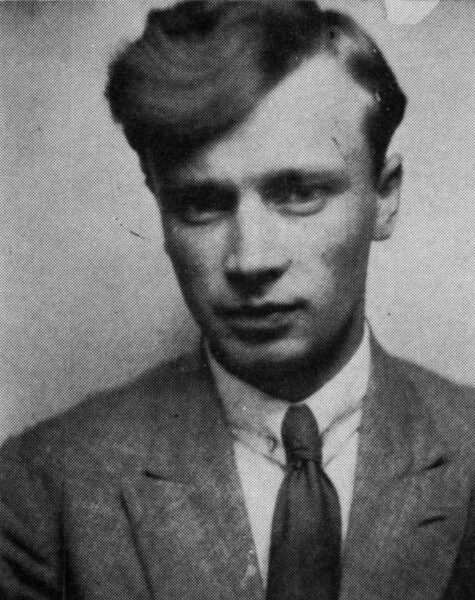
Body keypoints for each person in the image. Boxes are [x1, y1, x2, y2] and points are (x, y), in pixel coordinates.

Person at [0, 2, 473, 599]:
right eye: (202, 204)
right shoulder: (40, 492)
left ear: (384, 197)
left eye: (298, 193)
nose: (249, 260)